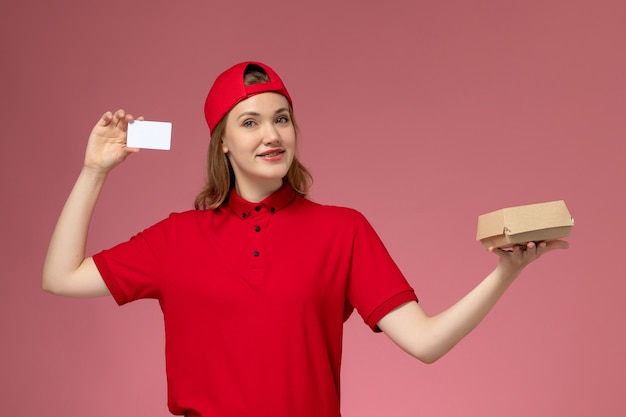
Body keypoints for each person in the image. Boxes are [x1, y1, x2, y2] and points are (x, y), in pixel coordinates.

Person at [42, 61, 568, 417]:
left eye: (282, 119)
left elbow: (426, 343)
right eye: (250, 122)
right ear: (222, 142)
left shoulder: (343, 230)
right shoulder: (177, 238)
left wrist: (506, 273)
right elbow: (59, 278)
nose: (271, 135)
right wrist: (94, 171)